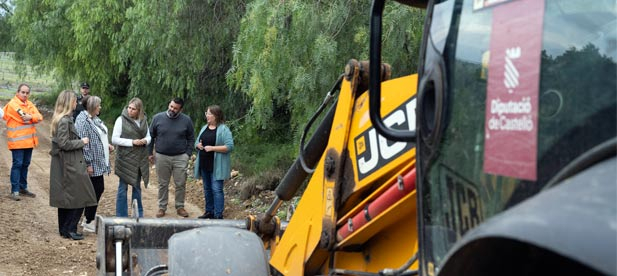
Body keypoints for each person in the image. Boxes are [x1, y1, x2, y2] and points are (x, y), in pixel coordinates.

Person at [49, 90, 97, 240]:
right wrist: (81, 142)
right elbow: (63, 143)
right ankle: (70, 229)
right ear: (69, 102)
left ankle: (64, 229)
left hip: (67, 162)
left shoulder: (62, 119)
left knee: (66, 197)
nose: (77, 103)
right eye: (75, 101)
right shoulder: (64, 120)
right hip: (70, 162)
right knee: (80, 196)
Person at [148, 97, 194, 218]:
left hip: (180, 156)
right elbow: (151, 136)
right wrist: (149, 153)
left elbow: (191, 138)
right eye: (171, 106)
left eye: (175, 108)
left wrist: (187, 154)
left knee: (180, 183)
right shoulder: (157, 118)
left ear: (181, 109)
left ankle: (180, 206)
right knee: (163, 183)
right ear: (169, 104)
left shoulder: (186, 120)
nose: (172, 109)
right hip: (162, 156)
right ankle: (162, 207)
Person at [74, 96, 113, 232]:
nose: (100, 108)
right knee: (95, 189)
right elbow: (85, 144)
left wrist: (105, 145)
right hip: (92, 163)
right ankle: (88, 219)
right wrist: (88, 163)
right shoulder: (83, 121)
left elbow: (98, 134)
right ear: (92, 107)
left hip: (98, 161)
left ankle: (87, 217)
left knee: (96, 189)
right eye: (99, 105)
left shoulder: (93, 118)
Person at [2, 84, 43, 201]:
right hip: (17, 142)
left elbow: (40, 117)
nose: (25, 95)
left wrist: (31, 116)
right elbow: (23, 117)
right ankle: (14, 190)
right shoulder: (13, 104)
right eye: (23, 92)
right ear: (18, 92)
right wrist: (31, 117)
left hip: (28, 142)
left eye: (27, 93)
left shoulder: (29, 104)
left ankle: (22, 188)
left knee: (25, 165)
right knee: (18, 165)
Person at [112, 98, 151, 218]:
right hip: (125, 158)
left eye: (133, 109)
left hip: (139, 159)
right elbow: (114, 139)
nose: (130, 110)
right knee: (122, 188)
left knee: (137, 187)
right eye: (129, 107)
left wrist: (145, 140)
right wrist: (132, 142)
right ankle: (121, 216)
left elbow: (149, 136)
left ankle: (138, 215)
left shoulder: (143, 120)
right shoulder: (121, 120)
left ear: (139, 110)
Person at [194, 105, 234, 219]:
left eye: (209, 113)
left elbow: (229, 147)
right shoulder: (204, 128)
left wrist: (212, 148)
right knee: (207, 189)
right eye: (206, 113)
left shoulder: (224, 129)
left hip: (217, 166)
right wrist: (198, 145)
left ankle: (218, 214)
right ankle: (209, 211)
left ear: (216, 115)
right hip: (204, 164)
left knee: (217, 189)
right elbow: (196, 142)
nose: (207, 115)